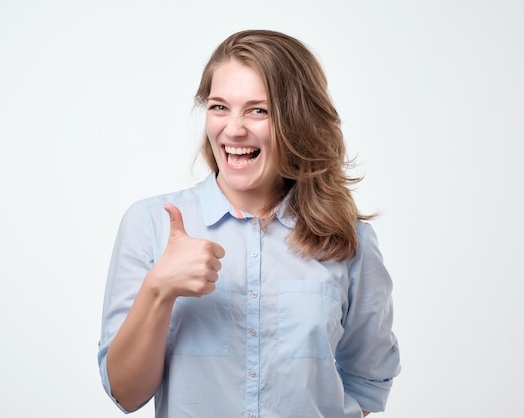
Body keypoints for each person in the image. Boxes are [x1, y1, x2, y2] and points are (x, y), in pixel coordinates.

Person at [97, 29, 401, 417]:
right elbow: (125, 393)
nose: (234, 129)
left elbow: (368, 381)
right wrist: (160, 288)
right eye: (219, 107)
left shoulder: (349, 240)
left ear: (299, 120)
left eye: (259, 110)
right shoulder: (149, 224)